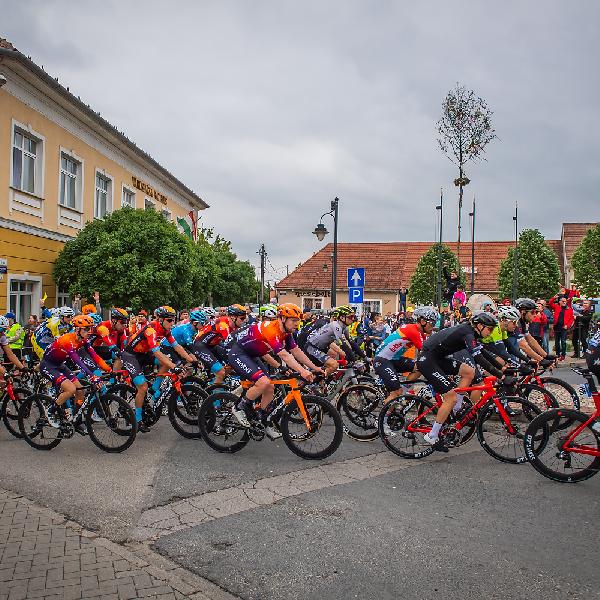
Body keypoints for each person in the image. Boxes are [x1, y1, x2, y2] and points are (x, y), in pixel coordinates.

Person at [228, 303, 322, 440]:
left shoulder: (286, 332)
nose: (297, 324)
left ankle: (262, 421)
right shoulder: (271, 329)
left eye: (298, 321)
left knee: (270, 386)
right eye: (294, 320)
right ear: (283, 319)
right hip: (239, 354)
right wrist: (302, 371)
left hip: (253, 355)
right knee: (263, 382)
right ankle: (239, 407)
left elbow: (296, 351)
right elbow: (285, 355)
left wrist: (314, 368)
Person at [416, 312, 504, 450]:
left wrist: (502, 369)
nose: (491, 332)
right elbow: (479, 358)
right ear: (479, 325)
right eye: (490, 329)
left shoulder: (472, 332)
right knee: (449, 397)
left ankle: (456, 408)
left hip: (437, 359)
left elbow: (484, 353)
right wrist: (501, 376)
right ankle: (432, 435)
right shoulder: (467, 333)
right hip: (427, 360)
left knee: (470, 371)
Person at [121, 306, 189, 432]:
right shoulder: (151, 329)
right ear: (160, 319)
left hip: (144, 354)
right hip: (131, 356)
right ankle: (138, 419)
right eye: (169, 320)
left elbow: (176, 346)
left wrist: (191, 360)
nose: (172, 323)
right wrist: (174, 367)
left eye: (173, 320)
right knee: (142, 386)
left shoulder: (165, 330)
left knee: (168, 362)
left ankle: (154, 389)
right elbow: (157, 352)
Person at [39, 315, 111, 430]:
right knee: (71, 389)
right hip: (48, 366)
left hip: (60, 365)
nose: (90, 332)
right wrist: (92, 376)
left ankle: (75, 419)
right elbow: (78, 361)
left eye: (91, 329)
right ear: (77, 329)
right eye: (87, 329)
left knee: (80, 390)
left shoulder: (83, 340)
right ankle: (50, 411)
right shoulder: (67, 340)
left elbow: (95, 356)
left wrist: (109, 370)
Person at [374, 306, 437, 406]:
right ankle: (382, 420)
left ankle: (404, 391)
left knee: (420, 366)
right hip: (383, 360)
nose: (433, 326)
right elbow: (428, 352)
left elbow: (429, 349)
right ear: (423, 321)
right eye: (432, 323)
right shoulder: (414, 331)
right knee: (396, 393)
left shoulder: (419, 332)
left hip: (394, 359)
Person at [193, 304, 248, 384]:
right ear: (233, 317)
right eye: (242, 318)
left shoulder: (233, 324)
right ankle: (215, 395)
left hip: (212, 345)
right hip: (200, 346)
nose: (244, 321)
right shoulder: (223, 325)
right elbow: (231, 343)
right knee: (221, 372)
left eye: (244, 318)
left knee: (232, 363)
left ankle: (215, 381)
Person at [548, 294, 574, 361]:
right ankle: (558, 354)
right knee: (556, 342)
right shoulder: (557, 307)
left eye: (565, 301)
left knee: (563, 341)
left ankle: (563, 355)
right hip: (556, 327)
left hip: (564, 328)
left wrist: (567, 325)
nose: (564, 302)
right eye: (562, 301)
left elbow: (571, 319)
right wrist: (554, 298)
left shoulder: (569, 309)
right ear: (559, 302)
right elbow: (550, 303)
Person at [0, 316, 25, 385]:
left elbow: (10, 354)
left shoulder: (2, 337)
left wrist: (22, 368)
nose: (3, 333)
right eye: (1, 330)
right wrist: (4, 372)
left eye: (5, 330)